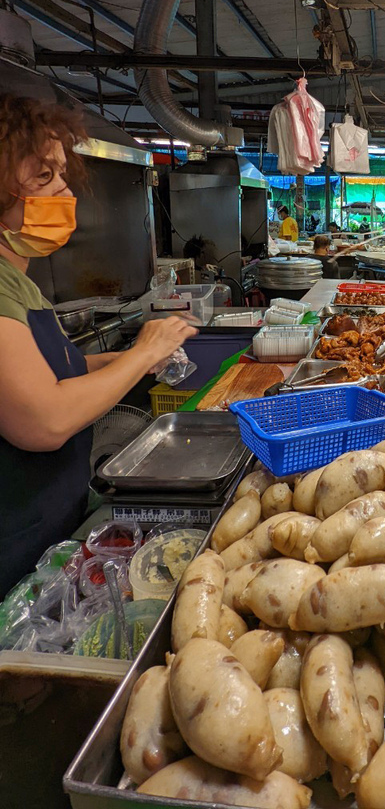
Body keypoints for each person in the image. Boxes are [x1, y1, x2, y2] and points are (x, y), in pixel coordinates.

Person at [0, 95, 197, 596]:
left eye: (61, 174)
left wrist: (119, 364)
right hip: (12, 543)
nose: (64, 191)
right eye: (43, 178)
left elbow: (47, 371)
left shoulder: (19, 282)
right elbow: (42, 420)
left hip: (48, 523)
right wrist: (142, 352)